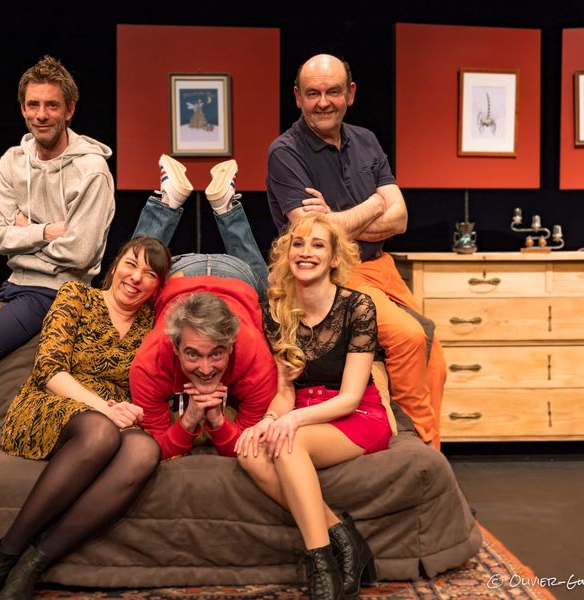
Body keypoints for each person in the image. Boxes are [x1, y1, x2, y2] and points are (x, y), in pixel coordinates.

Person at [0, 236, 172, 600]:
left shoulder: (152, 325)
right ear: (116, 265)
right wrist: (103, 407)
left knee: (144, 451)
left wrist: (135, 408)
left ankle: (33, 563)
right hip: (51, 402)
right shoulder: (76, 296)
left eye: (150, 274)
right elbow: (50, 370)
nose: (137, 277)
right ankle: (4, 555)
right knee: (101, 432)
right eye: (131, 264)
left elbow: (152, 384)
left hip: (112, 414)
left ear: (157, 286)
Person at [266, 53, 446, 448]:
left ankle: (428, 448)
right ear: (297, 97)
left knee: (433, 355)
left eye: (333, 92)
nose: (323, 102)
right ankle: (415, 451)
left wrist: (337, 218)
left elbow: (400, 220)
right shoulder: (286, 152)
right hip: (337, 274)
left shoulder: (366, 140)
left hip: (382, 267)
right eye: (313, 93)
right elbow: (313, 233)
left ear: (350, 93)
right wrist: (376, 203)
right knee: (408, 338)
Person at [0, 55, 116, 454]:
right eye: (33, 105)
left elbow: (80, 252)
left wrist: (24, 232)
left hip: (56, 292)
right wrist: (47, 231)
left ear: (69, 110)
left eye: (51, 105)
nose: (41, 115)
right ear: (22, 108)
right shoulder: (12, 162)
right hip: (14, 285)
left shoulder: (91, 170)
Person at [236, 214, 392, 600]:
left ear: (334, 258)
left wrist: (291, 422)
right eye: (299, 244)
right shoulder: (276, 310)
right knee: (249, 451)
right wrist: (270, 419)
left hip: (357, 414)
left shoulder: (358, 306)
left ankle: (321, 565)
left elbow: (350, 397)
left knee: (288, 444)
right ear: (287, 253)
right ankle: (345, 538)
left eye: (318, 245)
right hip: (305, 411)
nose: (306, 252)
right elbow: (284, 391)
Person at [129, 155, 278, 459]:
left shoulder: (256, 362)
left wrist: (217, 420)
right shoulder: (149, 363)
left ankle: (170, 202)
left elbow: (248, 450)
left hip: (189, 273)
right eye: (193, 354)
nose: (207, 370)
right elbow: (156, 449)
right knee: (269, 293)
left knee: (135, 273)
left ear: (232, 344)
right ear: (174, 346)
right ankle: (223, 205)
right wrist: (189, 419)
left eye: (217, 353)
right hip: (228, 274)